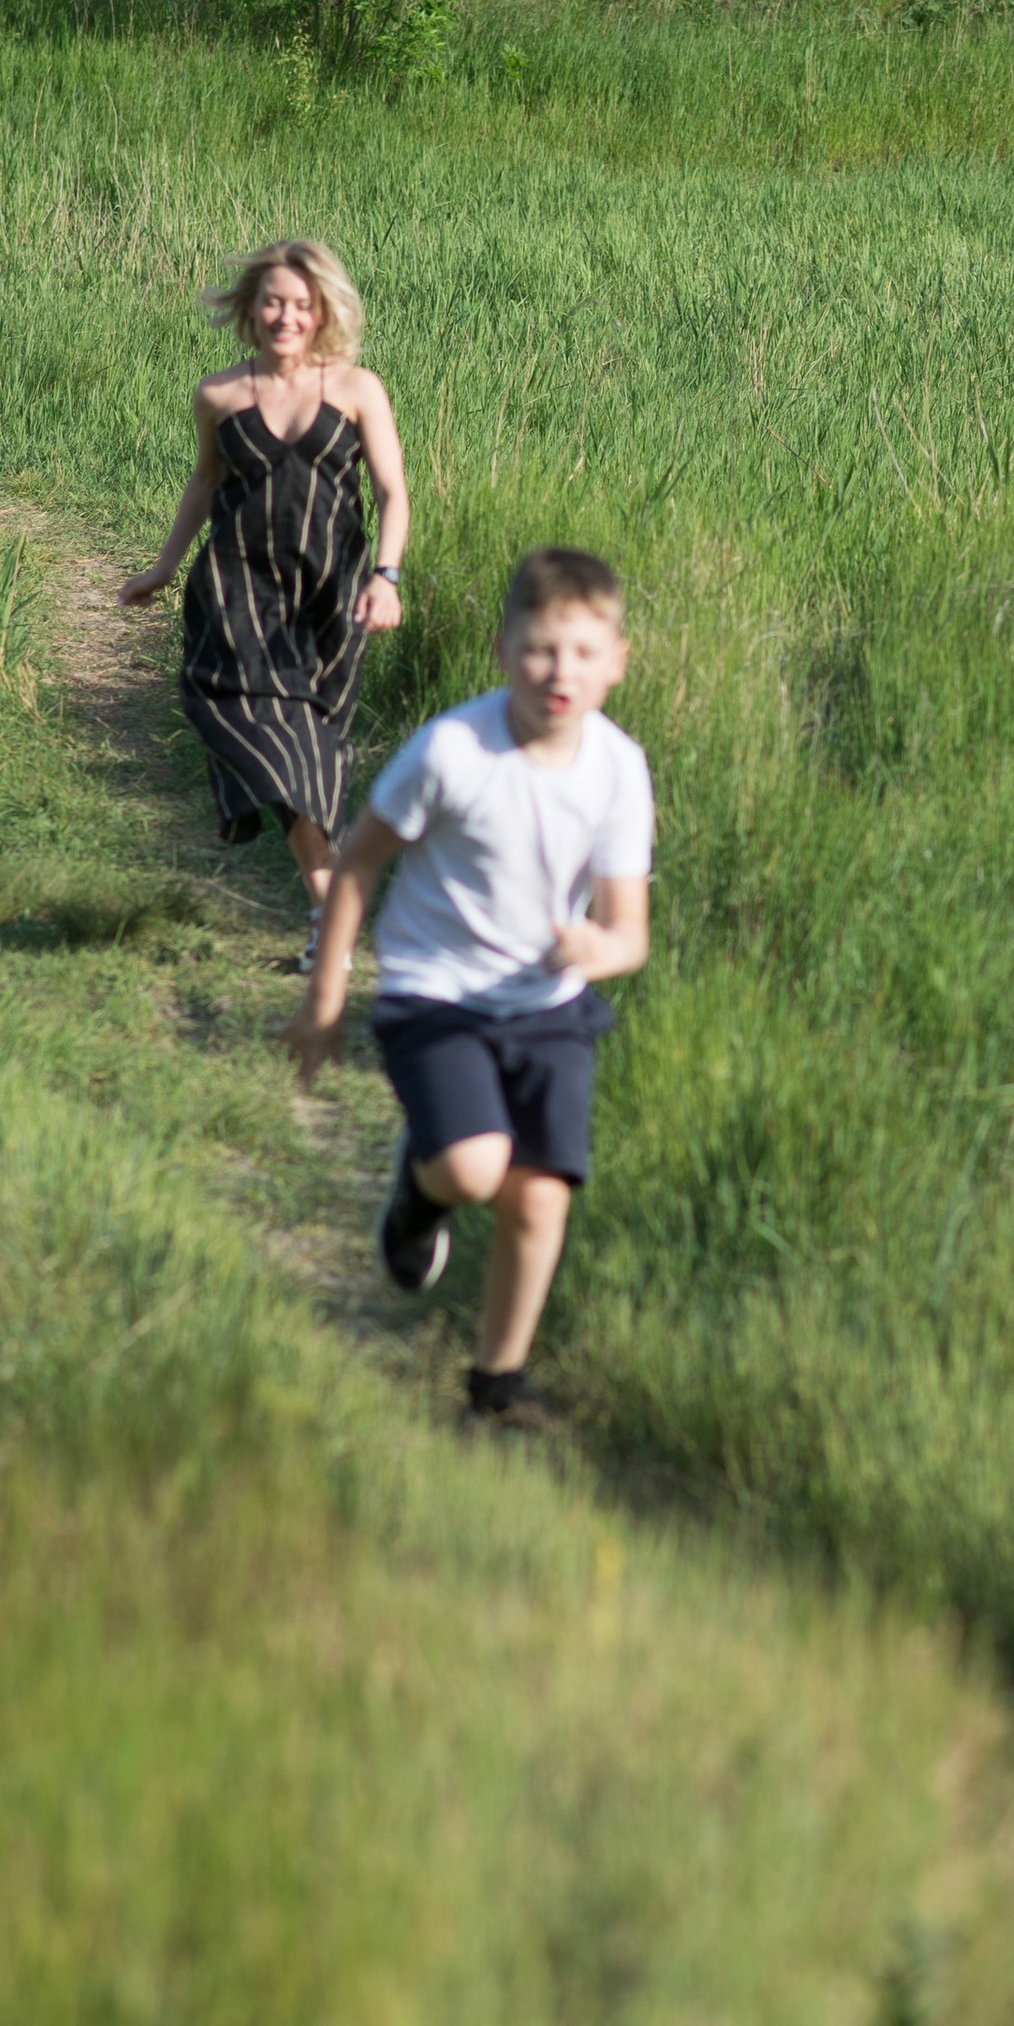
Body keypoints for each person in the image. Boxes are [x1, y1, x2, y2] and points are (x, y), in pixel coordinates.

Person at [286, 546, 652, 1434]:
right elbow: (360, 867)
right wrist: (326, 1001)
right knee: (474, 1165)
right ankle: (420, 1188)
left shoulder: (618, 769)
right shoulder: (453, 749)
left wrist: (592, 949)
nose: (558, 671)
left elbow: (628, 934)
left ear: (615, 662)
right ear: (501, 651)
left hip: (547, 1004)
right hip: (435, 989)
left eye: (580, 651)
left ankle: (498, 1379)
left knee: (540, 1196)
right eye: (538, 648)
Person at [119, 239, 409, 961]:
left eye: (302, 304)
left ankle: (329, 913)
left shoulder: (357, 389)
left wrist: (386, 575)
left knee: (312, 755)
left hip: (330, 598)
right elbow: (205, 483)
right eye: (274, 301)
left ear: (323, 313)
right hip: (237, 594)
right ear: (251, 306)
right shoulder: (219, 395)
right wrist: (162, 566)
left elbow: (392, 493)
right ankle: (332, 913)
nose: (286, 315)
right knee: (270, 743)